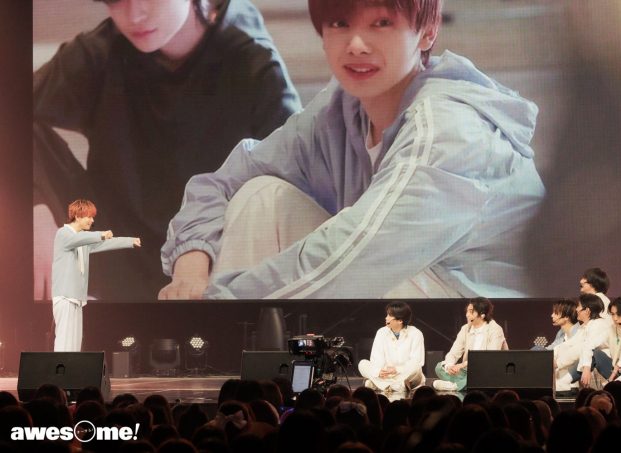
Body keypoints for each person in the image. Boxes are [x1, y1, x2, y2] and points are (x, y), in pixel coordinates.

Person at [158, 0, 545, 300]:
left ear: (427, 33)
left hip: (489, 326)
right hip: (400, 299)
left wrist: (218, 303)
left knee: (348, 262)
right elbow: (224, 182)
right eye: (340, 24)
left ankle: (226, 343)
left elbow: (356, 252)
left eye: (382, 23)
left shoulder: (448, 129)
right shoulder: (341, 111)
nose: (356, 45)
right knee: (261, 195)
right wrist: (192, 265)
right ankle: (240, 363)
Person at [33, 0, 301, 299]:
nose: (134, 15)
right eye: (116, 0)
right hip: (115, 250)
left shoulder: (254, 62)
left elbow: (295, 183)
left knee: (273, 190)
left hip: (211, 264)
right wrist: (35, 207)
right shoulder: (103, 48)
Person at [52, 199, 141, 351]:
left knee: (75, 344)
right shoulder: (63, 234)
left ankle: (71, 366)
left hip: (77, 298)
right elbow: (78, 239)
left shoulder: (82, 239)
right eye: (89, 216)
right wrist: (101, 234)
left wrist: (130, 241)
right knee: (64, 341)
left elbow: (104, 243)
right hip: (65, 297)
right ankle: (59, 366)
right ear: (77, 216)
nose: (92, 220)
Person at [433, 297, 508, 392]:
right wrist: (450, 366)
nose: (467, 315)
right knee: (439, 367)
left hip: (488, 370)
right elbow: (454, 353)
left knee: (480, 375)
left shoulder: (495, 329)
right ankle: (465, 384)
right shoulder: (465, 329)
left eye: (471, 312)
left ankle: (454, 386)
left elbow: (489, 357)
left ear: (482, 315)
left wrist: (462, 365)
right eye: (467, 311)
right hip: (467, 371)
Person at [358, 302, 425, 393]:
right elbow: (376, 358)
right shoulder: (381, 332)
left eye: (389, 316)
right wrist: (380, 371)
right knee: (362, 364)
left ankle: (378, 384)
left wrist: (396, 370)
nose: (386, 318)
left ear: (400, 320)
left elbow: (417, 361)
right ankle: (396, 386)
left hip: (404, 374)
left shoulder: (416, 333)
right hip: (386, 375)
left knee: (417, 369)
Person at [555, 293, 612, 392]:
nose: (576, 309)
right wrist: (552, 357)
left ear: (587, 311)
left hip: (606, 368)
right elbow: (569, 344)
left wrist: (558, 363)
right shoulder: (584, 326)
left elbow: (585, 347)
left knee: (586, 351)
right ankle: (563, 383)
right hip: (592, 365)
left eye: (578, 306)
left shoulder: (599, 325)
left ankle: (565, 381)